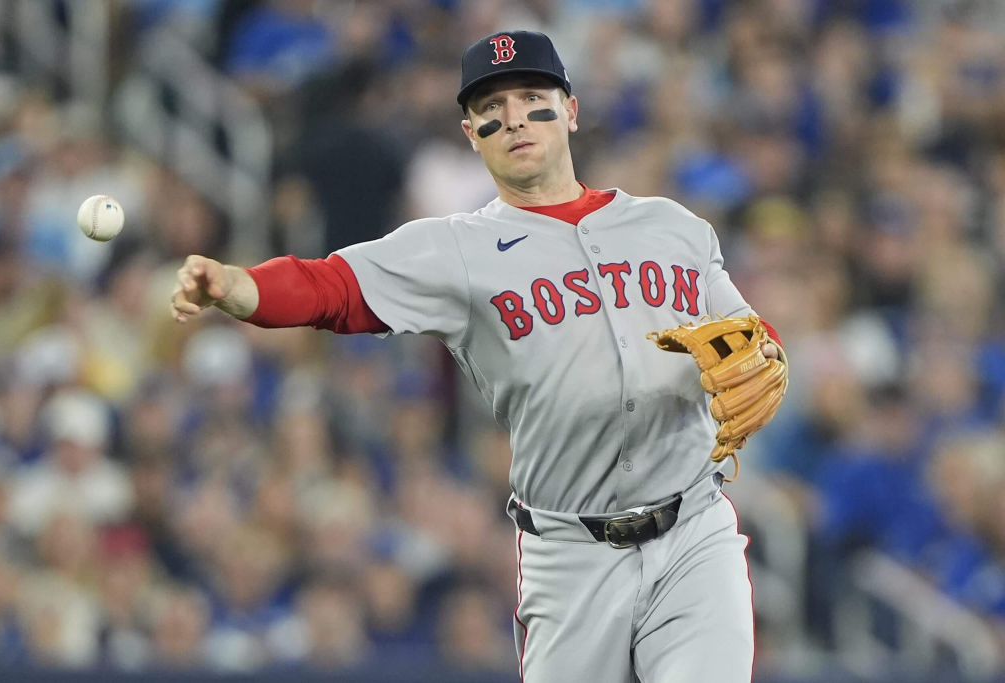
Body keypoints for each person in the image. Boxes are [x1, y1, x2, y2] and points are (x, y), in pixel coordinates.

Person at [170, 30, 786, 683]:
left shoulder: (673, 228)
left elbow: (754, 336)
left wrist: (765, 353)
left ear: (571, 110)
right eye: (492, 106)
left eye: (531, 96)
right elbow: (335, 288)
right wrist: (238, 286)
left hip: (693, 532)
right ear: (471, 133)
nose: (514, 117)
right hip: (572, 555)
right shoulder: (458, 250)